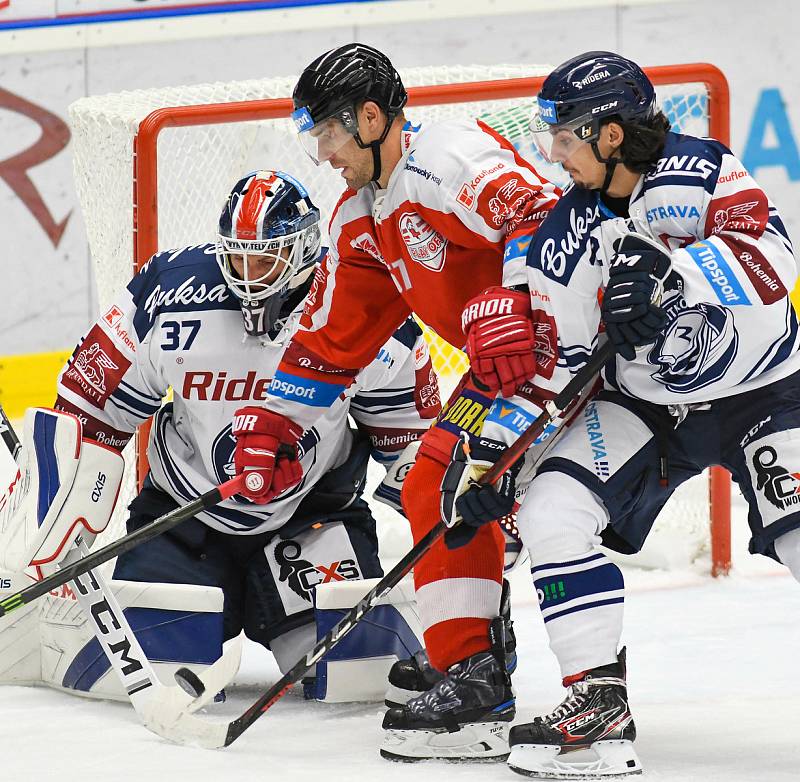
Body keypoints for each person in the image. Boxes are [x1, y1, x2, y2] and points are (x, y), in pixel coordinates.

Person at [460, 51, 800, 778]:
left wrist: (670, 276)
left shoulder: (702, 171)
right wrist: (493, 455)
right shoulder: (562, 234)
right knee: (552, 507)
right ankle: (598, 707)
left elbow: (775, 264)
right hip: (650, 410)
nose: (554, 153)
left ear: (610, 134)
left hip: (766, 391)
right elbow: (552, 365)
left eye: (566, 135)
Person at [225, 43, 561, 759]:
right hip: (509, 370)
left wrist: (514, 299)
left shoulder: (448, 157)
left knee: (462, 482)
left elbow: (542, 214)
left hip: (565, 346)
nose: (322, 153)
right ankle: (471, 661)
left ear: (371, 117)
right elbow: (330, 338)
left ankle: (480, 673)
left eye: (328, 133)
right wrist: (274, 424)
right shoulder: (362, 214)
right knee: (435, 479)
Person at [5, 169, 441, 694]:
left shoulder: (360, 299)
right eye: (237, 257)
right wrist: (59, 541)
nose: (248, 275)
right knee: (154, 674)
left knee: (362, 675)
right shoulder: (170, 291)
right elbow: (86, 415)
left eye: (265, 259)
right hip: (182, 519)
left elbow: (414, 442)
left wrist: (446, 539)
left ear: (303, 250)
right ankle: (54, 631)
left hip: (311, 519)